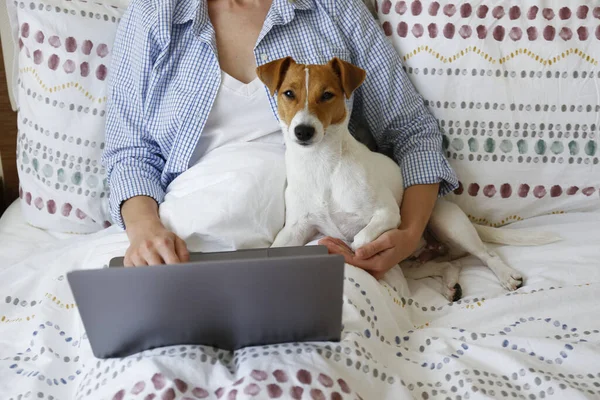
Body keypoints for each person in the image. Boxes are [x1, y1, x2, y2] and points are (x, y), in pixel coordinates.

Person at [102, 0, 458, 276]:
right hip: (188, 237)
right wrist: (145, 228)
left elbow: (412, 132)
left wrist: (409, 233)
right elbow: (130, 152)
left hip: (323, 244)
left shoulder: (333, 10)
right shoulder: (155, 15)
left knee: (312, 350)